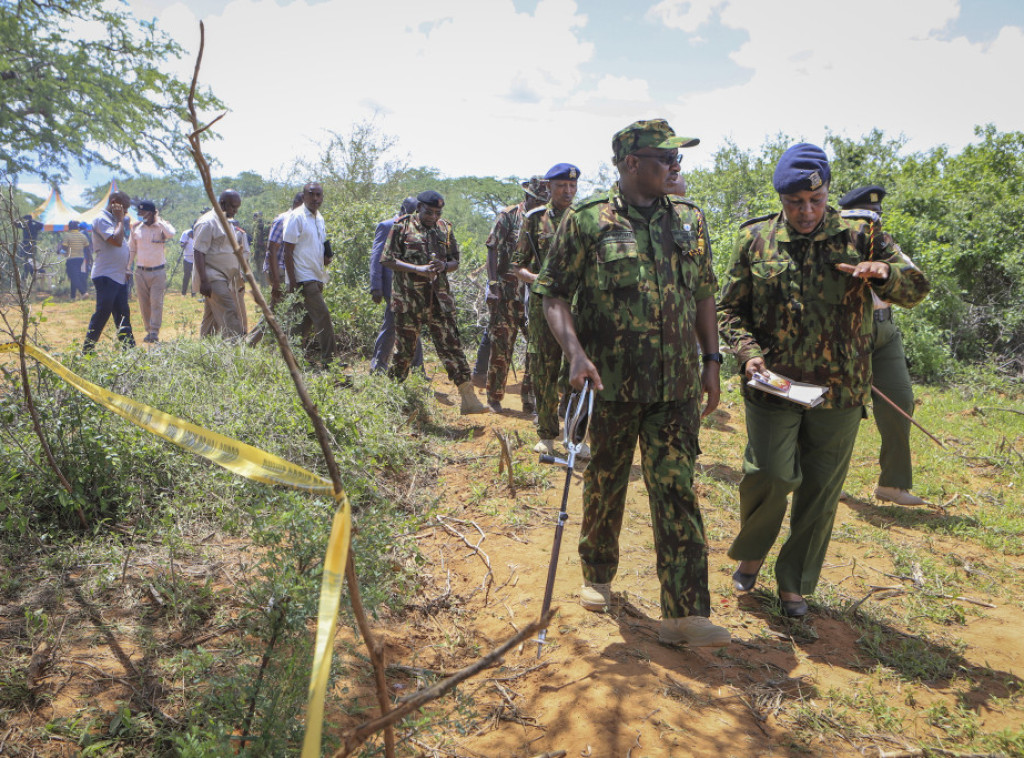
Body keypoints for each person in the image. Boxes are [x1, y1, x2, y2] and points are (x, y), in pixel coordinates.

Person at [536, 119, 730, 647]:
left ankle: (684, 613)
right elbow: (553, 294)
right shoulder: (586, 221)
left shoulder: (689, 219)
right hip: (610, 385)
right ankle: (597, 572)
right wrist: (574, 354)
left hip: (676, 387)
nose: (674, 166)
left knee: (677, 488)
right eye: (662, 157)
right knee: (606, 480)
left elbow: (705, 294)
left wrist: (712, 360)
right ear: (628, 163)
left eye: (677, 158)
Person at [718, 144, 931, 618]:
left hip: (841, 389)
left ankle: (795, 584)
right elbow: (728, 309)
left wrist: (885, 275)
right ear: (782, 199)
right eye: (795, 203)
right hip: (773, 384)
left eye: (815, 201)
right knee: (771, 474)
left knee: (820, 488)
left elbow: (917, 286)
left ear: (828, 192)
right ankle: (752, 552)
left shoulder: (863, 236)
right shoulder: (755, 239)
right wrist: (748, 353)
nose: (806, 212)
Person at [839, 185, 928, 506]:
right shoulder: (836, 240)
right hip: (848, 332)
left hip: (884, 329)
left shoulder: (883, 242)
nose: (869, 223)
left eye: (874, 217)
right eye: (863, 216)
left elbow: (913, 277)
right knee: (843, 409)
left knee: (900, 401)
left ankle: (893, 484)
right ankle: (826, 481)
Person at [382, 190, 487, 414]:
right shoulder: (401, 226)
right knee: (405, 352)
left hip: (439, 300)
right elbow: (387, 259)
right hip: (409, 300)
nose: (433, 216)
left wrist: (444, 266)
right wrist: (416, 269)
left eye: (437, 212)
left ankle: (468, 399)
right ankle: (390, 399)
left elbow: (455, 260)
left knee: (452, 347)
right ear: (418, 208)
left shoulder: (444, 228)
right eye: (429, 212)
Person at [513, 163, 579, 455]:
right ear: (549, 188)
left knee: (578, 369)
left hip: (579, 304)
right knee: (545, 368)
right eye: (562, 186)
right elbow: (518, 265)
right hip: (544, 305)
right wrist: (537, 279)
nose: (568, 191)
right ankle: (548, 435)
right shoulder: (535, 219)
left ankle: (576, 436)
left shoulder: (584, 219)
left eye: (572, 186)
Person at [482, 175, 548, 412]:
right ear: (527, 197)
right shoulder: (508, 216)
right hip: (507, 294)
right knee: (501, 346)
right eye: (538, 200)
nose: (542, 204)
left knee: (536, 348)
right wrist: (492, 284)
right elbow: (492, 249)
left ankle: (529, 399)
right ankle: (494, 397)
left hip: (536, 296)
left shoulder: (548, 221)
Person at [369, 197, 424, 373]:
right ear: (403, 210)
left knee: (411, 324)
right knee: (393, 324)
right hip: (391, 286)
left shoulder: (417, 228)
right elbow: (377, 258)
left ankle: (416, 368)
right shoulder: (387, 226)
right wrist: (375, 286)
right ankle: (379, 366)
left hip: (411, 286)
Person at [283, 181, 335, 366]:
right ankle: (330, 361)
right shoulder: (296, 217)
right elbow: (287, 251)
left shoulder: (319, 218)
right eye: (311, 194)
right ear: (304, 196)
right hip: (303, 278)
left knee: (303, 322)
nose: (315, 198)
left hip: (317, 275)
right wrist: (293, 281)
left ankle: (291, 359)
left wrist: (325, 257)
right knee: (323, 317)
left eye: (318, 195)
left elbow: (317, 244)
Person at [83, 191, 136, 351]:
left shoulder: (113, 220)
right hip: (106, 276)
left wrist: (125, 268)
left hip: (118, 276)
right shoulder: (102, 219)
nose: (126, 213)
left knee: (122, 314)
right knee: (102, 313)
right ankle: (87, 351)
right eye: (125, 209)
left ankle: (130, 351)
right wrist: (120, 220)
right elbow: (117, 241)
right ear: (114, 203)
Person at [193, 190, 245, 339]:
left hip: (224, 278)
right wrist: (204, 281)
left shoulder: (226, 221)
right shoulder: (208, 222)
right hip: (212, 277)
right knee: (230, 312)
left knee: (211, 321)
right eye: (233, 207)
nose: (235, 211)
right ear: (222, 203)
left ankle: (204, 353)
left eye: (237, 207)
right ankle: (237, 351)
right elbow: (198, 251)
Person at [129, 200, 176, 343]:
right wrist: (127, 266)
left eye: (144, 213)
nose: (141, 216)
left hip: (158, 271)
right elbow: (132, 249)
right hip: (141, 271)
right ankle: (148, 329)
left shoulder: (162, 227)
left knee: (156, 301)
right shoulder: (136, 228)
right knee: (144, 303)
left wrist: (158, 220)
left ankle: (154, 331)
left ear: (152, 213)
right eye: (140, 213)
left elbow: (171, 233)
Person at [266, 192, 304, 309]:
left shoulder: (299, 220)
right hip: (280, 270)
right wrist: (276, 281)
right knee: (281, 309)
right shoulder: (283, 220)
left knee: (277, 310)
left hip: (289, 271)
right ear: (298, 204)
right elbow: (272, 249)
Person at [61, 220, 92, 299]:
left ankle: (83, 292)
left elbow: (64, 247)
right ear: (77, 227)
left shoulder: (67, 235)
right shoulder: (82, 236)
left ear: (69, 227)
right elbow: (88, 249)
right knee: (76, 276)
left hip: (71, 259)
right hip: (81, 259)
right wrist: (90, 260)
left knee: (73, 277)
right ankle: (73, 296)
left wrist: (63, 249)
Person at [179, 225, 196, 297]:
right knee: (186, 275)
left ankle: (194, 293)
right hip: (187, 258)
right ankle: (183, 293)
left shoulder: (200, 232)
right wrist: (184, 244)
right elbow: (181, 244)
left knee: (195, 276)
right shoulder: (186, 233)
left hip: (196, 258)